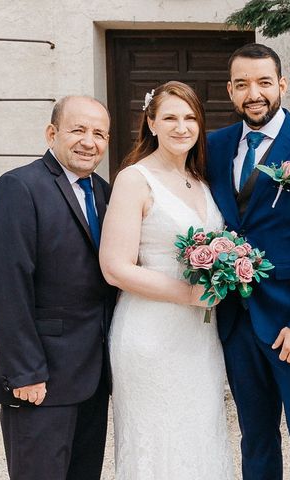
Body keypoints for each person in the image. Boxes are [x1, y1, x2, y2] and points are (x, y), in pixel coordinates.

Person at [206, 43, 290, 480]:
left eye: (264, 82)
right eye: (243, 84)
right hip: (235, 319)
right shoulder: (214, 145)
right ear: (230, 90)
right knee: (256, 436)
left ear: (281, 85)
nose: (254, 93)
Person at [99, 81, 233, 478]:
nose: (182, 126)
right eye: (170, 117)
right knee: (157, 443)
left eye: (190, 117)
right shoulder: (134, 179)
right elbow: (114, 267)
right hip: (150, 334)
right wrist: (190, 294)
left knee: (200, 434)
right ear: (151, 123)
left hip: (198, 335)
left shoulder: (201, 180)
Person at [0, 96, 116, 479]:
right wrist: (25, 372)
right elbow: (6, 288)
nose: (90, 141)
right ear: (51, 133)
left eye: (100, 133)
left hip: (92, 376)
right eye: (78, 130)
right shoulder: (18, 187)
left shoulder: (105, 193)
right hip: (41, 378)